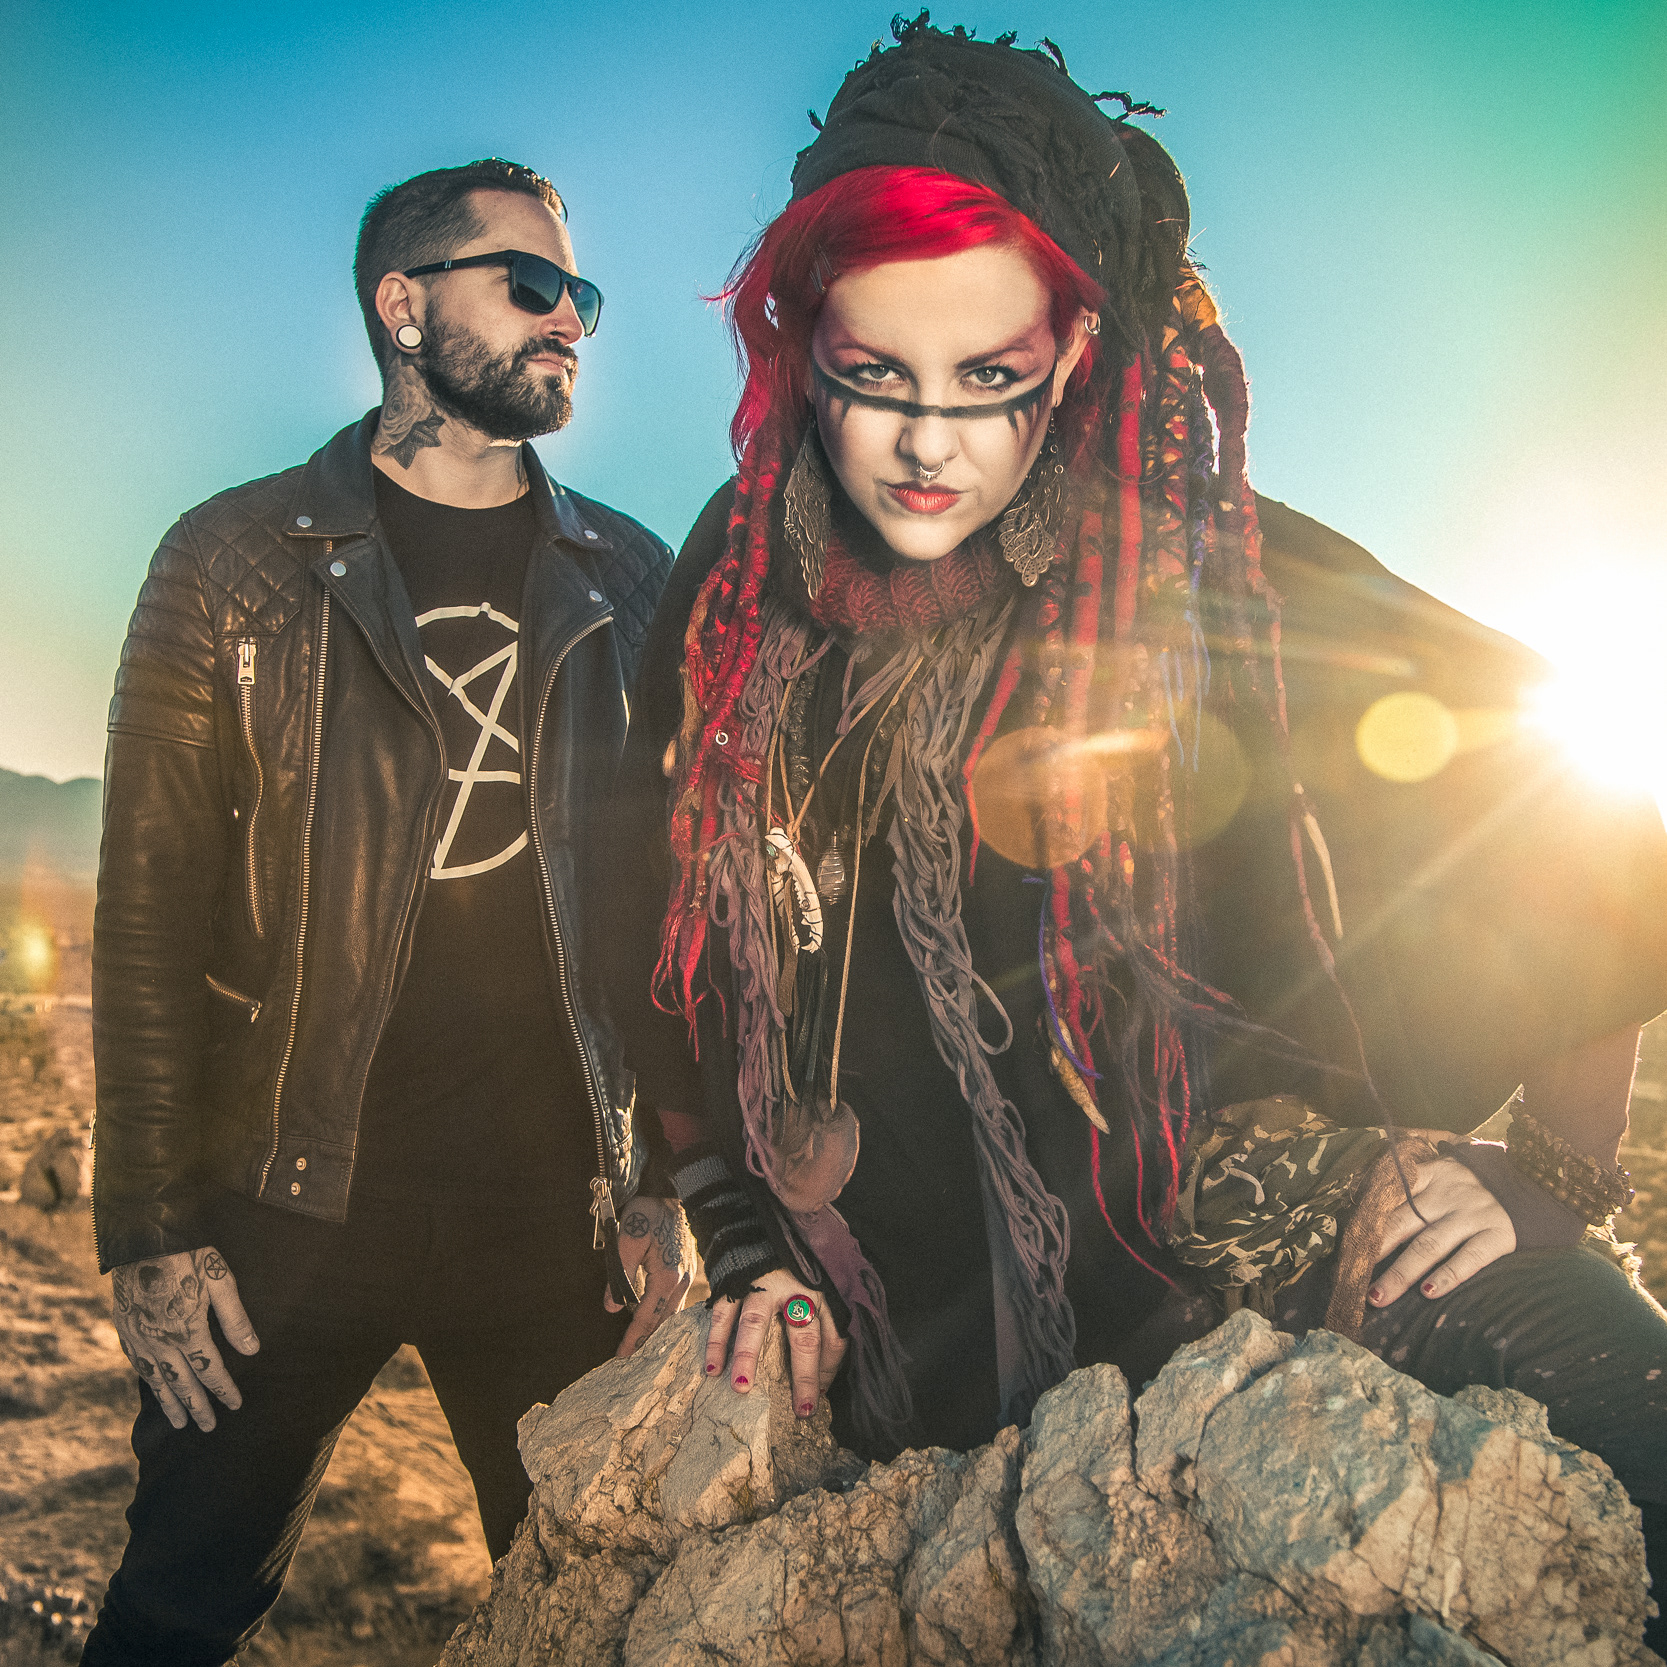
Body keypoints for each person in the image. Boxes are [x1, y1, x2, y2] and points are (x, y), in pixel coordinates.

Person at [607, 14, 1667, 1620]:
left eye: (990, 377)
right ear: (801, 341)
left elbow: (1584, 821)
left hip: (1234, 1264)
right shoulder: (735, 594)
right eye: (875, 372)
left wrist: (1557, 1179)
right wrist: (736, 1238)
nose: (928, 442)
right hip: (889, 1328)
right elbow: (652, 931)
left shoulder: (1201, 563)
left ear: (1073, 353)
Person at [86, 158, 684, 1665]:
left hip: (552, 1219)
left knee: (587, 1614)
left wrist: (665, 1175)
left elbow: (665, 908)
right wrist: (150, 1227)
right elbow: (147, 913)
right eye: (531, 285)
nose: (571, 321)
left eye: (583, 293)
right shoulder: (231, 561)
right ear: (403, 307)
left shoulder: (630, 575)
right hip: (281, 1210)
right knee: (175, 1611)